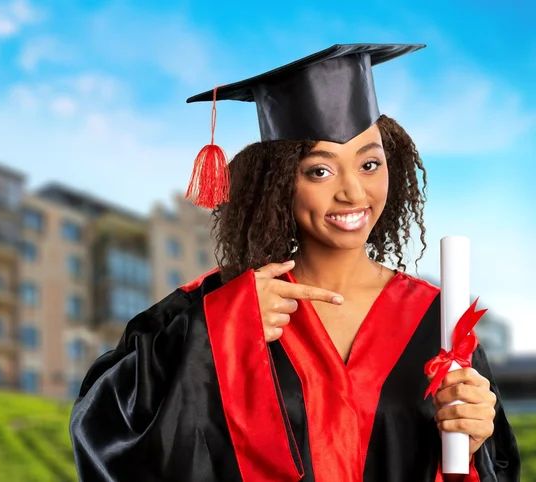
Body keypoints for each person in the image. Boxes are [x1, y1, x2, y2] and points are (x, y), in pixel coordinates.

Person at [69, 43, 521, 481]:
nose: (353, 193)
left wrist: (477, 442)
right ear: (279, 181)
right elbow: (103, 426)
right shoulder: (215, 306)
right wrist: (218, 334)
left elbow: (491, 467)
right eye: (319, 171)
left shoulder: (440, 322)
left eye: (369, 164)